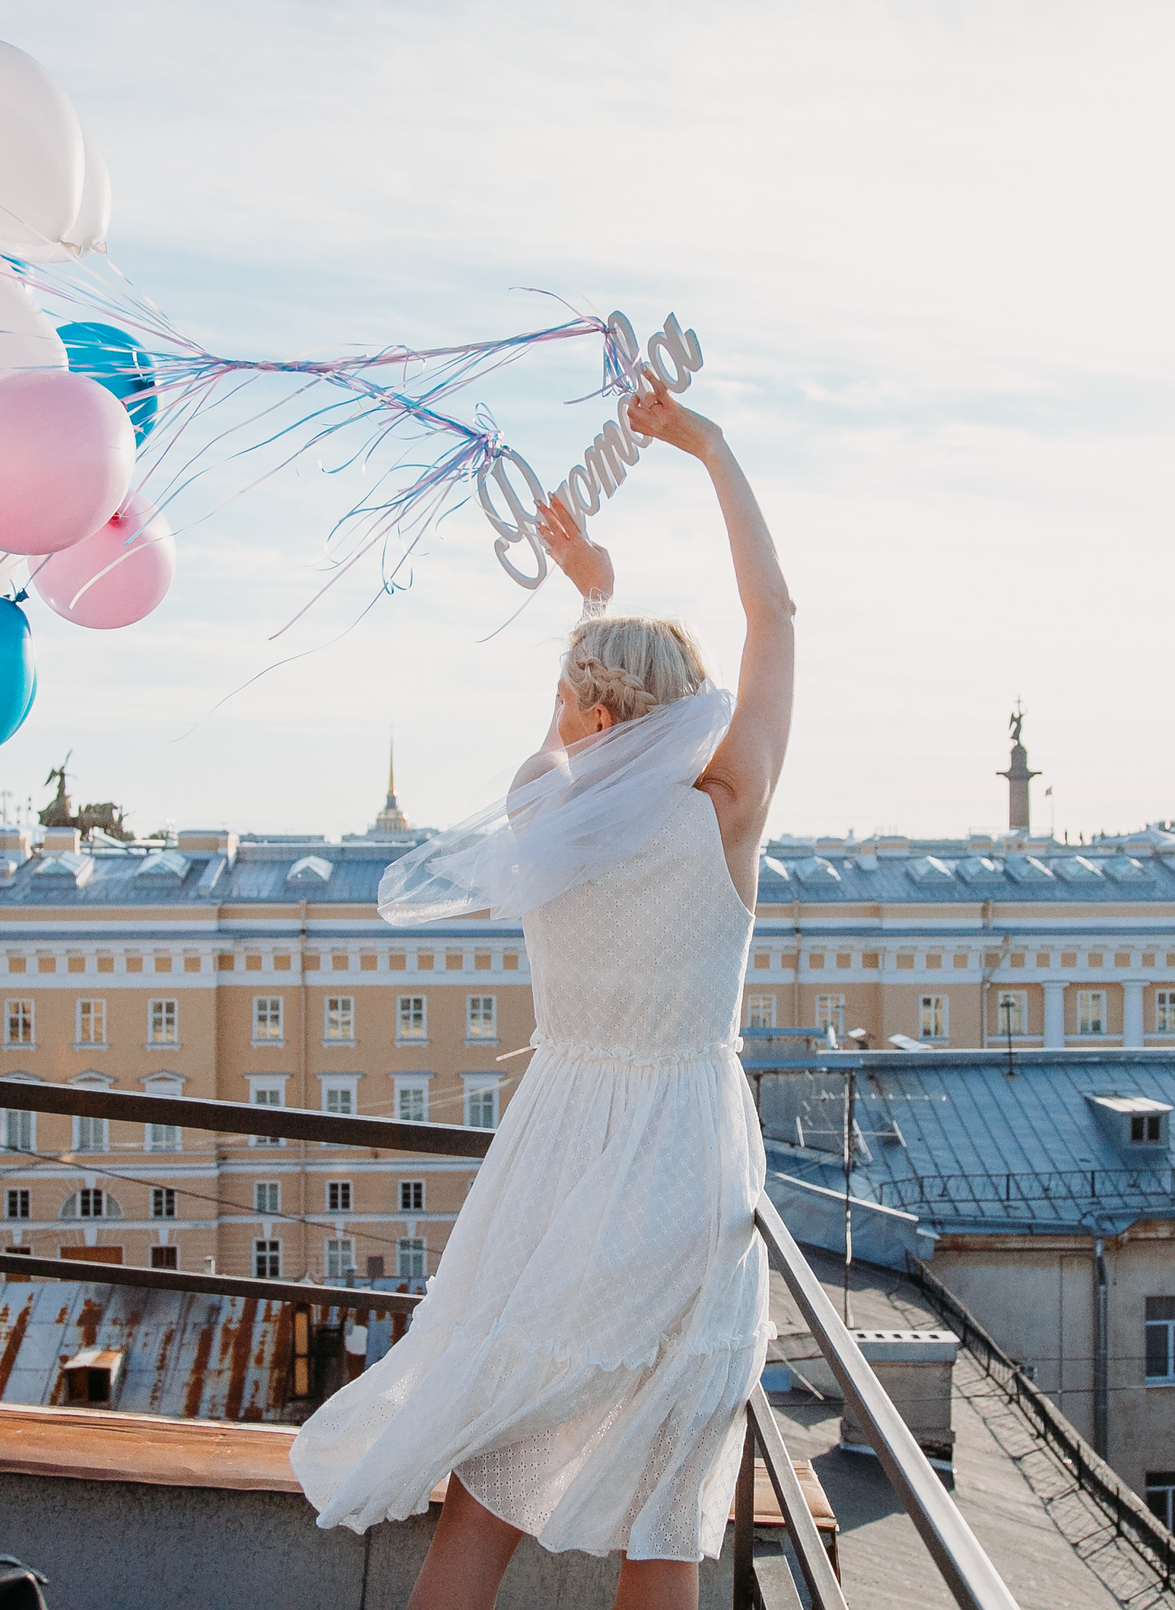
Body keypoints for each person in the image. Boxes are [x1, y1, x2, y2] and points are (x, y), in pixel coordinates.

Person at [289, 372, 796, 1610]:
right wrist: (711, 448)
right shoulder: (723, 814)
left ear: (584, 707)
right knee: (666, 1514)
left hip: (555, 1159)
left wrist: (594, 595)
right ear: (681, 715)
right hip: (681, 1160)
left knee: (490, 1492)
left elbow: (574, 741)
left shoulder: (540, 816)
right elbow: (774, 615)